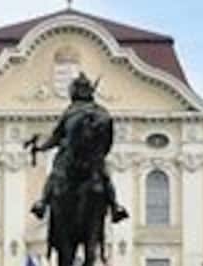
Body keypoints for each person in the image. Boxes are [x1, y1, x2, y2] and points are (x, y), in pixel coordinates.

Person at [26, 73, 128, 223]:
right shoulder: (102, 112)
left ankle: (43, 203)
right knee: (105, 177)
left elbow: (55, 138)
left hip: (69, 158)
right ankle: (115, 207)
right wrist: (99, 155)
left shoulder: (70, 112)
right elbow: (108, 141)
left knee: (55, 175)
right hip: (95, 160)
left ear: (74, 92)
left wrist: (40, 148)